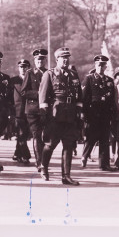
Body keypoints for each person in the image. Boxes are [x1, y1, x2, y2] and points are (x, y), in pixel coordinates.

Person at [38, 47, 83, 185]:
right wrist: (44, 114)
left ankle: (66, 175)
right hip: (55, 114)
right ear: (57, 59)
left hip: (70, 114)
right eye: (63, 58)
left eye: (67, 57)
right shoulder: (50, 74)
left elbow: (79, 96)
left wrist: (80, 112)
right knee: (50, 144)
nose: (65, 60)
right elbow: (43, 95)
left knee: (69, 145)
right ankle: (43, 167)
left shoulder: (73, 74)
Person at [81, 55, 116, 171]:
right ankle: (84, 156)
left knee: (105, 139)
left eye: (103, 65)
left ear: (106, 66)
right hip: (93, 113)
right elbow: (85, 98)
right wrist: (84, 113)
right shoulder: (89, 79)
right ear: (95, 65)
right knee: (91, 137)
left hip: (105, 114)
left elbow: (112, 100)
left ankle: (104, 164)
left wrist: (112, 114)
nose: (100, 67)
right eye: (98, 65)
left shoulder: (110, 81)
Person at [21, 49, 48, 174]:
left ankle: (43, 161)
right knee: (37, 135)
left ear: (45, 60)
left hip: (46, 109)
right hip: (33, 109)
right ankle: (40, 163)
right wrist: (39, 94)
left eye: (42, 59)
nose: (40, 61)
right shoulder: (30, 73)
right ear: (34, 61)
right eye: (38, 59)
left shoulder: (49, 73)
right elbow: (24, 91)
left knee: (46, 136)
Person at [11, 59, 32, 164]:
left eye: (25, 67)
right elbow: (10, 96)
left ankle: (17, 153)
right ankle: (25, 155)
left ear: (28, 68)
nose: (23, 69)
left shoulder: (32, 79)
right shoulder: (14, 80)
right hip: (17, 111)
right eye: (21, 67)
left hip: (29, 110)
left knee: (24, 134)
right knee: (21, 133)